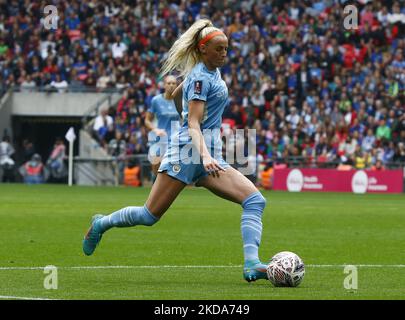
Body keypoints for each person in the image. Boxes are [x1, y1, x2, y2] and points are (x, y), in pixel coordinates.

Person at [83, 19, 268, 283]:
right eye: (219, 48)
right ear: (203, 50)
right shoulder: (202, 78)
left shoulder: (207, 73)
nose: (224, 53)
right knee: (148, 216)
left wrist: (203, 146)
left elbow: (177, 94)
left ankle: (251, 264)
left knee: (255, 201)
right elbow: (193, 122)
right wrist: (202, 152)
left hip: (207, 155)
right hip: (188, 153)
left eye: (226, 48)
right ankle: (101, 223)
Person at [144, 75, 181, 180]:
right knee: (156, 167)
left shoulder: (181, 101)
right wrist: (155, 129)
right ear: (164, 85)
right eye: (169, 83)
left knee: (173, 169)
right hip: (160, 138)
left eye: (174, 83)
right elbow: (147, 120)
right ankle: (154, 189)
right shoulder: (156, 100)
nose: (171, 85)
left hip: (175, 139)